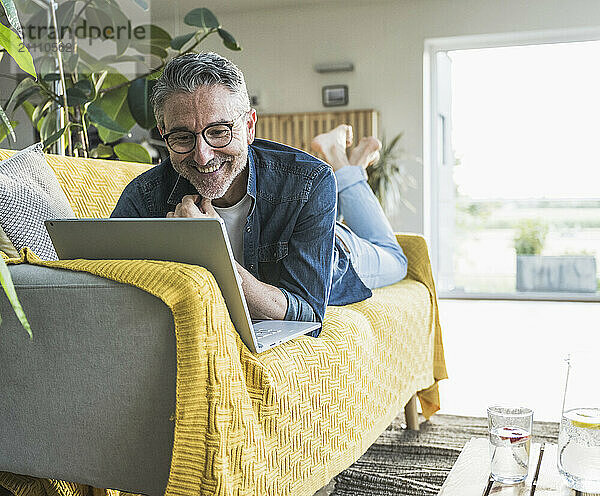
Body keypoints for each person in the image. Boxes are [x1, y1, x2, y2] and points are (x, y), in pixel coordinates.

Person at [111, 52, 407, 335]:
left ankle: (343, 163)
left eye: (219, 131)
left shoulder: (309, 180)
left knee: (397, 260)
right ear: (164, 133)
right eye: (182, 137)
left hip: (336, 254)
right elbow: (106, 289)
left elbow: (307, 314)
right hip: (305, 221)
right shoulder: (144, 196)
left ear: (249, 126)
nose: (202, 156)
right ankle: (346, 159)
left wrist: (207, 247)